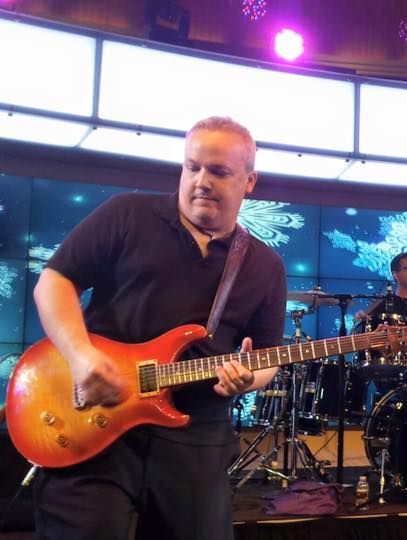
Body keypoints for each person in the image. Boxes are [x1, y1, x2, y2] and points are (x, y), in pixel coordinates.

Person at [31, 116, 287, 539]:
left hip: (196, 435)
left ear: (249, 181)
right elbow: (54, 282)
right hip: (98, 419)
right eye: (192, 167)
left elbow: (266, 354)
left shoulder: (265, 265)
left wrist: (247, 379)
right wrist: (80, 356)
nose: (201, 181)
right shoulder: (127, 214)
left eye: (219, 171)